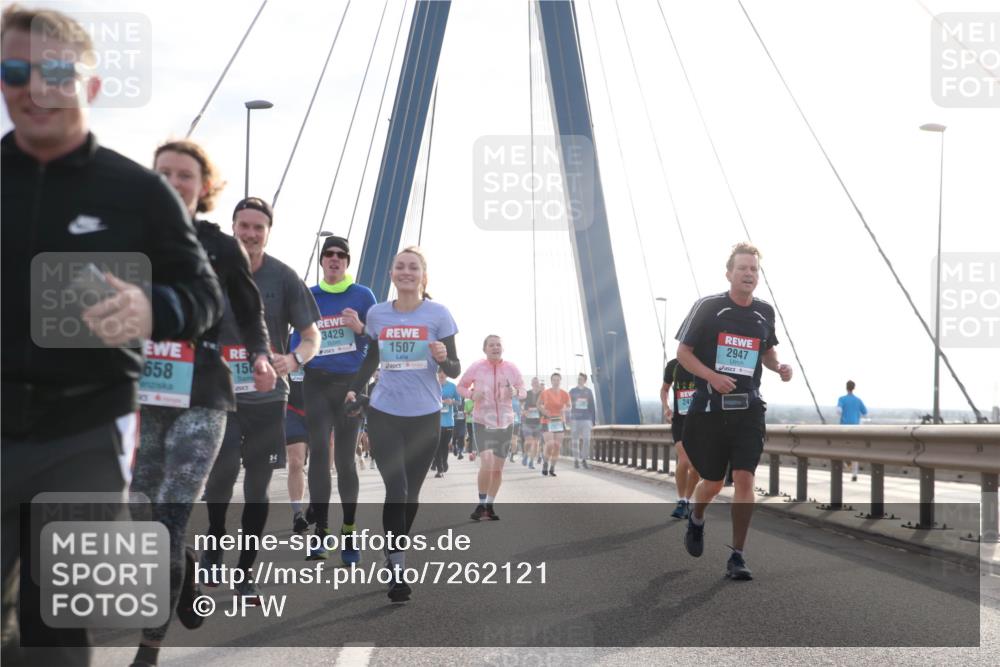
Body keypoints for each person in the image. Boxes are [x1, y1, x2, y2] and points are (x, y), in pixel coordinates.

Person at [1, 7, 224, 664]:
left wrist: (153, 307)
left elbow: (204, 296)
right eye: (14, 71)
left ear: (91, 86)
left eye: (55, 72)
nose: (33, 87)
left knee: (54, 631)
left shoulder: (138, 192)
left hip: (84, 433)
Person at [126, 140, 277, 667]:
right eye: (163, 172)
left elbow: (250, 311)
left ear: (204, 186)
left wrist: (260, 355)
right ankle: (185, 567)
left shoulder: (219, 246)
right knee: (142, 517)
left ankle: (149, 648)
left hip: (204, 394)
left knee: (169, 515)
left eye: (184, 174)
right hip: (144, 394)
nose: (173, 181)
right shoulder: (129, 238)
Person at [199, 197, 321, 600]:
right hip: (219, 394)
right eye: (244, 225)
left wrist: (295, 358)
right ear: (232, 226)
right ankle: (214, 542)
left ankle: (245, 572)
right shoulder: (208, 271)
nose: (250, 234)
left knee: (258, 486)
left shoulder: (283, 277)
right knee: (220, 477)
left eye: (258, 227)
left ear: (268, 232)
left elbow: (312, 335)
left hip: (267, 398)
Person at [346, 246, 460, 603]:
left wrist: (443, 357)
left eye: (413, 267)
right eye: (400, 267)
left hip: (425, 416)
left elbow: (455, 367)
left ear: (423, 276)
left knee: (411, 495)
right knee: (396, 489)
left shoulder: (439, 314)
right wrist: (354, 389)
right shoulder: (377, 314)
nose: (406, 272)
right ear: (392, 274)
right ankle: (397, 568)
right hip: (384, 413)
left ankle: (393, 549)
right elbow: (372, 359)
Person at [676, 242, 792, 581]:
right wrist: (712, 376)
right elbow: (683, 352)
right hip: (710, 410)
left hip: (749, 410)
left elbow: (767, 352)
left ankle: (737, 555)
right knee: (712, 483)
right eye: (742, 268)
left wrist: (779, 367)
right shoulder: (709, 307)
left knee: (744, 478)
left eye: (754, 269)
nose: (748, 274)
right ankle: (696, 518)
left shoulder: (764, 312)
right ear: (729, 273)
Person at [296, 235, 376, 563]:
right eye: (328, 254)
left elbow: (377, 342)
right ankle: (321, 532)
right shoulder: (308, 296)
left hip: (350, 386)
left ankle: (349, 530)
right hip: (316, 383)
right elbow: (296, 341)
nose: (334, 258)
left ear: (347, 261)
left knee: (344, 461)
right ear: (322, 260)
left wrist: (360, 328)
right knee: (318, 455)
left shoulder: (363, 295)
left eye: (340, 255)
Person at [457, 335, 526, 520]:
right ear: (485, 349)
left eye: (498, 345)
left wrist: (515, 391)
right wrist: (471, 394)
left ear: (502, 348)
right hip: (482, 421)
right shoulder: (477, 367)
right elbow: (461, 387)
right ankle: (481, 504)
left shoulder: (511, 368)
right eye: (491, 345)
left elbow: (523, 391)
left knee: (497, 469)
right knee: (487, 463)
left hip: (505, 423)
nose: (495, 347)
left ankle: (489, 505)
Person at [661, 357, 700, 519]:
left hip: (701, 422)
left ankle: (687, 500)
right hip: (680, 421)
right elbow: (664, 389)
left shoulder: (707, 361)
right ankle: (681, 500)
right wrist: (666, 408)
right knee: (685, 461)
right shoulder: (674, 365)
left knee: (696, 468)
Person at [539, 373, 571, 477]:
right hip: (547, 421)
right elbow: (538, 404)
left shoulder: (565, 393)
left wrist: (564, 409)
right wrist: (544, 411)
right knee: (550, 445)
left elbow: (569, 405)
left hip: (559, 421)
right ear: (551, 381)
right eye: (554, 380)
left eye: (558, 380)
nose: (556, 382)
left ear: (560, 381)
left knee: (557, 446)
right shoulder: (545, 393)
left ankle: (552, 468)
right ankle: (545, 463)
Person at [837, 380, 868, 481]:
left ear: (846, 387)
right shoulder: (858, 400)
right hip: (855, 429)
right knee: (855, 451)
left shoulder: (842, 399)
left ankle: (847, 462)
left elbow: (838, 411)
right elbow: (865, 412)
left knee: (842, 448)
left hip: (844, 428)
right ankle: (854, 474)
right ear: (854, 388)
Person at [434, 369, 460, 477]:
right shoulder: (432, 385)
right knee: (437, 446)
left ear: (447, 374)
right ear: (437, 373)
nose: (442, 374)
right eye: (440, 372)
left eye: (444, 372)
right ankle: (439, 469)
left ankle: (444, 462)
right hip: (435, 421)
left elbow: (459, 401)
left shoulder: (453, 386)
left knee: (444, 445)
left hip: (449, 422)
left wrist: (452, 401)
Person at [569, 373, 596, 469]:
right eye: (578, 379)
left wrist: (593, 420)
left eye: (581, 379)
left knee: (587, 439)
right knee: (575, 441)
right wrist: (568, 419)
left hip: (586, 419)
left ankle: (584, 459)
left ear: (585, 381)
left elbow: (592, 406)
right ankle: (576, 460)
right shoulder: (572, 391)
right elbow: (567, 405)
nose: (579, 380)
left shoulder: (589, 391)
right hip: (575, 419)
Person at [521, 377, 543, 469]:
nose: (535, 384)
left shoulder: (542, 394)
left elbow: (546, 405)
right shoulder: (527, 393)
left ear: (538, 384)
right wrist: (523, 411)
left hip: (538, 422)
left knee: (536, 443)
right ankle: (526, 454)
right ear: (531, 384)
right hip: (528, 422)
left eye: (537, 382)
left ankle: (531, 462)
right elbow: (521, 404)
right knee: (529, 441)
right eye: (534, 382)